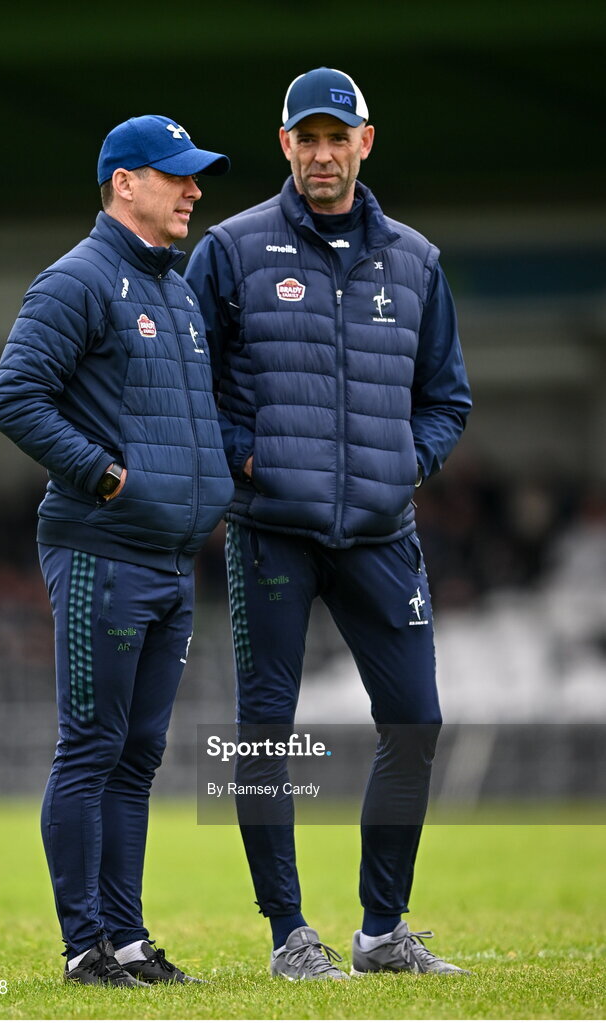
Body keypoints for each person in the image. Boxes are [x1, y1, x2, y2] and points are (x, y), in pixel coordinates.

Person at [185, 67, 472, 980]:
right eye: (305, 139)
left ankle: (382, 931)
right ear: (284, 147)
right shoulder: (230, 252)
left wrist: (404, 462)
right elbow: (192, 389)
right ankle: (288, 936)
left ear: (365, 141)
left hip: (385, 535)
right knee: (267, 732)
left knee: (415, 721)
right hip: (271, 529)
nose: (321, 153)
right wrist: (245, 457)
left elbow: (446, 400)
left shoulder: (418, 261)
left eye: (335, 136)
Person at [0, 115, 233, 987]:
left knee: (138, 754)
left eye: (196, 177)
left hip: (168, 559)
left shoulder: (177, 289)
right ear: (124, 183)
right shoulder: (78, 280)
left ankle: (128, 941)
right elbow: (14, 396)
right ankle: (84, 947)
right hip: (103, 546)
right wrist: (106, 478)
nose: (194, 190)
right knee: (92, 746)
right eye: (177, 176)